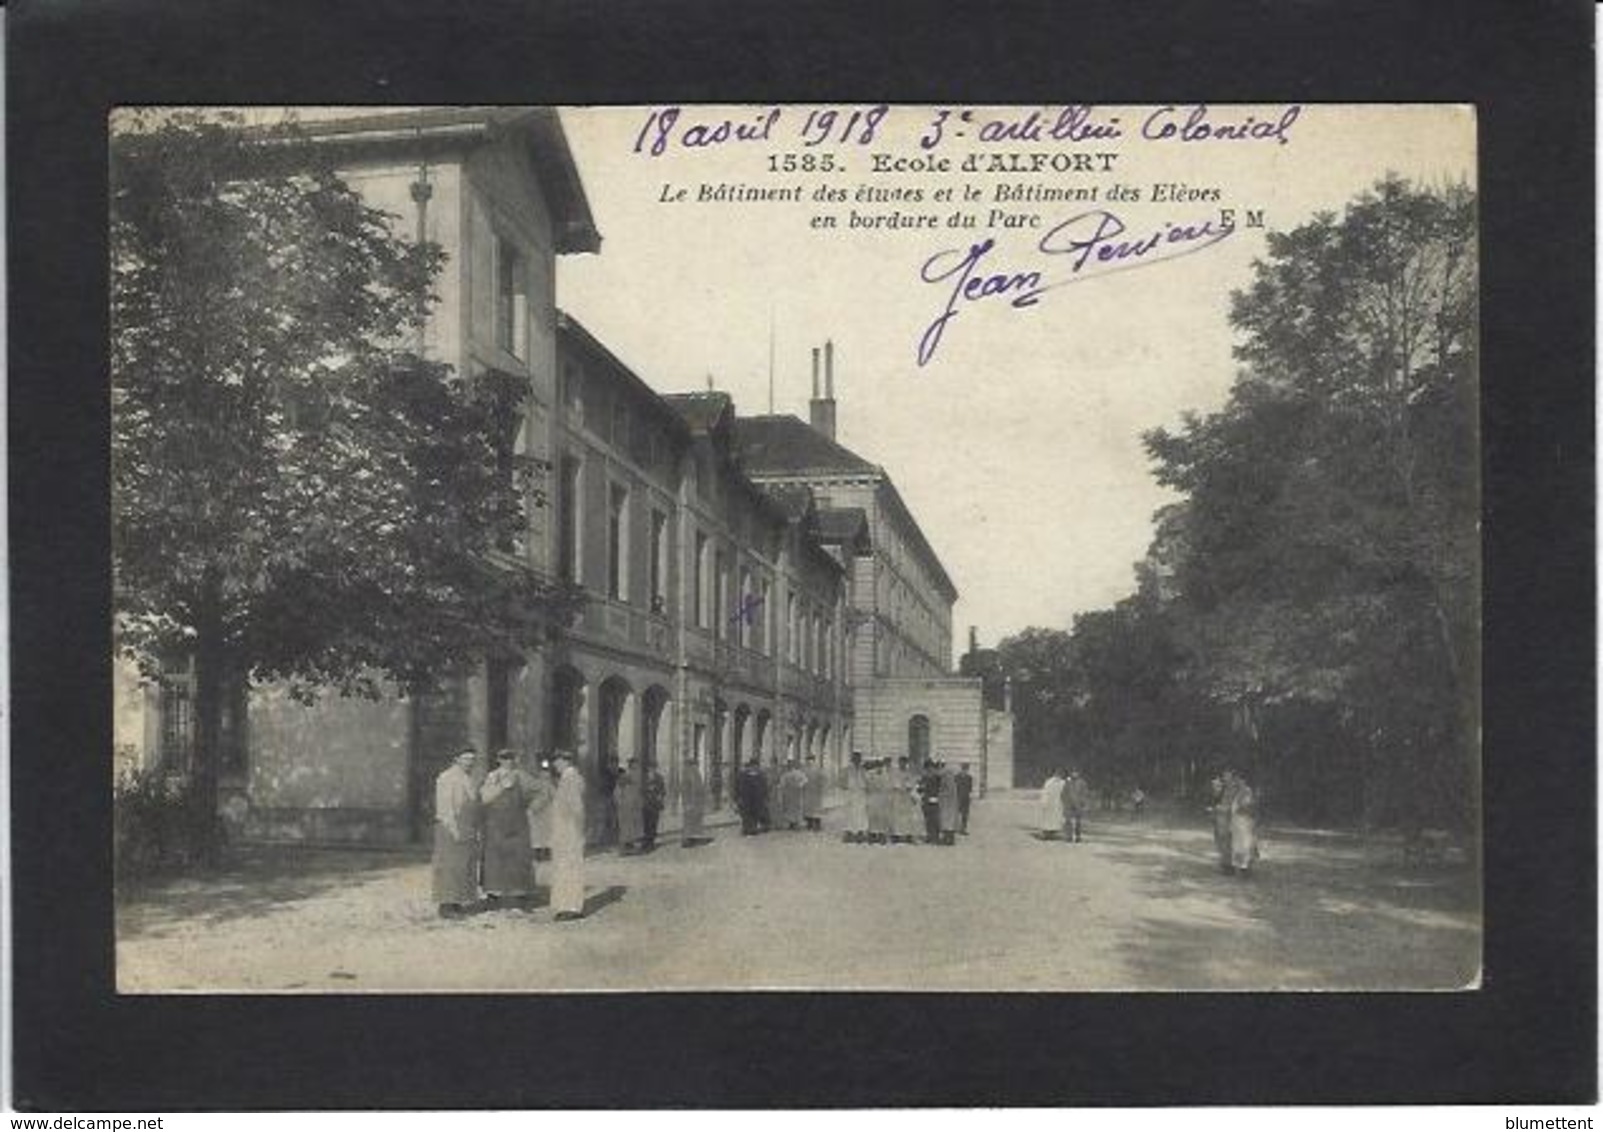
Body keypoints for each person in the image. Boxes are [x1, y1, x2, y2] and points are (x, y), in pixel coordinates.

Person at [479, 749, 539, 906]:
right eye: (504, 759)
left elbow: (541, 791)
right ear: (498, 760)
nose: (508, 762)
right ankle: (493, 895)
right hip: (495, 823)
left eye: (510, 758)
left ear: (515, 760)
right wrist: (500, 788)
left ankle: (520, 895)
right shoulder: (492, 776)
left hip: (517, 823)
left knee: (518, 858)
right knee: (494, 858)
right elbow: (484, 798)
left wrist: (533, 808)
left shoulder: (521, 775)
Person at [432, 748, 481, 917]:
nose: (470, 762)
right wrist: (453, 829)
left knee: (463, 865)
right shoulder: (447, 778)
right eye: (466, 759)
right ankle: (446, 905)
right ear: (456, 759)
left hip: (466, 825)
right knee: (449, 866)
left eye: (472, 759)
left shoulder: (468, 779)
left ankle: (457, 901)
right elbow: (446, 807)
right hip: (450, 826)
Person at [550, 751, 587, 920]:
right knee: (564, 867)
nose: (554, 765)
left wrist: (576, 829)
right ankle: (566, 905)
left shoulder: (571, 778)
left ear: (565, 761)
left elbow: (577, 807)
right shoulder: (568, 778)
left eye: (557, 761)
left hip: (569, 831)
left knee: (569, 867)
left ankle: (571, 907)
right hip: (565, 830)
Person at [1226, 770, 1260, 877]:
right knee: (1236, 843)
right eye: (1237, 780)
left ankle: (1245, 867)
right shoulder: (1237, 791)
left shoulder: (1247, 791)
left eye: (1240, 780)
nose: (1238, 782)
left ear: (1244, 781)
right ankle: (1237, 866)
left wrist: (1238, 808)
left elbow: (1246, 806)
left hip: (1244, 820)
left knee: (1245, 843)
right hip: (1236, 820)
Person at [527, 757, 555, 862]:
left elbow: (554, 796)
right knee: (537, 835)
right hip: (537, 813)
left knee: (546, 834)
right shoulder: (535, 784)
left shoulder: (550, 785)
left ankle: (546, 852)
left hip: (547, 813)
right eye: (543, 772)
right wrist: (533, 807)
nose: (545, 775)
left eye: (546, 772)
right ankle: (538, 854)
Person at [615, 757, 645, 854]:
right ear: (631, 765)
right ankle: (624, 848)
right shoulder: (625, 776)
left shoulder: (637, 775)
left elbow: (638, 791)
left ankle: (632, 847)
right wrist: (621, 802)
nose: (636, 766)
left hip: (634, 805)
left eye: (637, 764)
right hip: (626, 806)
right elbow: (618, 791)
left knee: (634, 827)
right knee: (626, 827)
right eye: (634, 764)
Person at [681, 754, 709, 846]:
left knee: (693, 821)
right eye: (693, 764)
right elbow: (689, 789)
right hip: (692, 802)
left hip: (694, 802)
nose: (695, 766)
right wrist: (689, 803)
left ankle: (691, 839)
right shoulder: (690, 773)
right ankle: (686, 840)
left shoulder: (692, 773)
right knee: (689, 821)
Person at [892, 757, 921, 844]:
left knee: (908, 817)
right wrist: (901, 787)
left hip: (906, 797)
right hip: (898, 796)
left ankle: (908, 835)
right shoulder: (895, 773)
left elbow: (911, 784)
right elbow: (895, 785)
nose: (903, 764)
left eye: (904, 763)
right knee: (897, 817)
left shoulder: (909, 773)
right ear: (899, 763)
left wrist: (909, 788)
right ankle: (897, 836)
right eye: (901, 762)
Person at [841, 752, 869, 843]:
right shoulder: (847, 770)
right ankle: (849, 833)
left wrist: (866, 789)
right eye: (855, 759)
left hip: (861, 794)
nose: (857, 761)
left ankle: (860, 833)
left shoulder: (863, 770)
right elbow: (842, 781)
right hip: (851, 794)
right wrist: (845, 787)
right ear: (852, 760)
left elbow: (867, 781)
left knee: (860, 813)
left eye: (858, 759)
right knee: (850, 814)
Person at [864, 758, 892, 844]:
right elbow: (867, 785)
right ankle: (872, 835)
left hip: (882, 797)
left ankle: (881, 835)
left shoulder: (886, 775)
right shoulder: (869, 774)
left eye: (880, 766)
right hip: (873, 797)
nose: (879, 768)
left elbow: (888, 786)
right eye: (877, 766)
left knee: (882, 817)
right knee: (872, 816)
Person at [1209, 772, 1232, 873]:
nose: (1215, 787)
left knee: (1226, 842)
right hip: (1218, 818)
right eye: (1214, 785)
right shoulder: (1219, 791)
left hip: (1226, 819)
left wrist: (1218, 808)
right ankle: (1225, 864)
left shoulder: (1230, 791)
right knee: (1220, 841)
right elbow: (1214, 803)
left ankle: (1228, 866)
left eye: (1228, 776)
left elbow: (1229, 806)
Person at [736, 758, 767, 836]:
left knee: (746, 812)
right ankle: (753, 828)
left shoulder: (743, 773)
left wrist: (738, 796)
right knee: (755, 812)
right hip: (757, 798)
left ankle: (746, 828)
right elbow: (764, 786)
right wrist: (764, 796)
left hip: (746, 797)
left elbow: (739, 785)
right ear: (756, 765)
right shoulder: (761, 774)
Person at [641, 760, 667, 851]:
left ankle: (651, 842)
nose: (652, 770)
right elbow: (641, 790)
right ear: (648, 769)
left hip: (655, 803)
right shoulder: (644, 778)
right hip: (646, 803)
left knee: (653, 823)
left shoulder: (659, 778)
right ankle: (646, 841)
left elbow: (663, 791)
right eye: (650, 768)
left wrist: (660, 795)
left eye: (653, 768)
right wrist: (647, 789)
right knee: (646, 823)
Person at [1062, 768, 1091, 843]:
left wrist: (1084, 804)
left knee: (1078, 822)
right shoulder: (1067, 782)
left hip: (1078, 805)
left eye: (1076, 772)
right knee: (1068, 821)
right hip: (1069, 804)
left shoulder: (1082, 782)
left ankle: (1078, 836)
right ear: (1071, 773)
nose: (1075, 774)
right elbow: (1063, 793)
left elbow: (1085, 793)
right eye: (1073, 772)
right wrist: (1065, 802)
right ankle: (1068, 836)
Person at [778, 759, 807, 830]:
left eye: (790, 765)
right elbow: (782, 783)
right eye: (789, 765)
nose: (789, 767)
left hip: (794, 793)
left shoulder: (797, 773)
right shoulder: (786, 774)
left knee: (794, 807)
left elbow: (805, 780)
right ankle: (793, 823)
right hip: (791, 793)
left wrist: (800, 785)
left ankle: (795, 823)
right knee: (791, 808)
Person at [919, 760, 943, 844]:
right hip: (926, 799)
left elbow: (940, 787)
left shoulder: (937, 777)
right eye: (927, 768)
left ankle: (935, 836)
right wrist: (921, 789)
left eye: (930, 767)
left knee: (935, 819)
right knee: (928, 819)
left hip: (934, 799)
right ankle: (929, 835)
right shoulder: (924, 777)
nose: (929, 769)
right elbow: (920, 788)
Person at [937, 759, 960, 846]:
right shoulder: (947, 776)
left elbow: (947, 790)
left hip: (948, 802)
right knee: (947, 820)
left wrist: (941, 794)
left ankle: (949, 839)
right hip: (947, 802)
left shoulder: (946, 775)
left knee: (947, 820)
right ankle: (948, 838)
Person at [1038, 768, 1066, 839]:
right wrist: (1044, 801)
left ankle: (1053, 832)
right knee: (1048, 818)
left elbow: (1065, 793)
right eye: (1057, 773)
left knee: (1056, 818)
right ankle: (1046, 832)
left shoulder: (1063, 783)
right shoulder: (1049, 782)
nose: (1058, 775)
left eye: (1059, 774)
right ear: (1054, 774)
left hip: (1058, 802)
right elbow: (1045, 792)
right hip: (1050, 802)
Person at [801, 755, 826, 832]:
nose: (809, 762)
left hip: (816, 792)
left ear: (813, 760)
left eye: (811, 760)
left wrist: (821, 787)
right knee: (809, 809)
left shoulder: (818, 769)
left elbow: (823, 779)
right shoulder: (804, 770)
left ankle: (817, 824)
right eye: (808, 760)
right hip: (808, 791)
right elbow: (802, 780)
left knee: (816, 809)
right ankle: (810, 823)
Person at [955, 762, 975, 835]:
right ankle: (956, 828)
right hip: (958, 797)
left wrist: (970, 797)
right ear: (961, 769)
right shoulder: (956, 777)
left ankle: (963, 828)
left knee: (965, 814)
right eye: (964, 769)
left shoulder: (969, 778)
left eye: (966, 769)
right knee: (956, 813)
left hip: (966, 798)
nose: (965, 771)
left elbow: (970, 788)